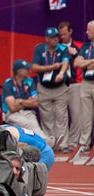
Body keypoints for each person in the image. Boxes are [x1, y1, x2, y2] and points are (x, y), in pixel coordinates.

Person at [32, 26, 70, 152]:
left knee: (61, 116)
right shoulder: (39, 48)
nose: (55, 39)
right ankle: (50, 144)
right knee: (47, 117)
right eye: (52, 37)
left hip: (60, 88)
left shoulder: (63, 48)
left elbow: (65, 62)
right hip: (44, 87)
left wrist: (61, 73)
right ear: (47, 39)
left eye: (56, 37)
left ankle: (63, 144)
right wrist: (53, 67)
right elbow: (35, 67)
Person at [2, 59, 53, 145]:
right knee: (30, 124)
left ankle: (43, 143)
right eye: (26, 69)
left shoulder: (29, 82)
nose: (29, 71)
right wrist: (28, 101)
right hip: (11, 114)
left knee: (33, 124)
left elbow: (36, 103)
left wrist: (21, 101)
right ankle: (45, 142)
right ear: (20, 71)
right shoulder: (8, 84)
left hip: (27, 112)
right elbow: (12, 107)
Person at [59, 21, 83, 155]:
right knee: (62, 116)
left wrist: (74, 53)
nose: (62, 37)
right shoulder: (57, 48)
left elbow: (82, 60)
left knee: (76, 114)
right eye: (60, 34)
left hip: (75, 83)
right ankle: (63, 142)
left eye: (64, 33)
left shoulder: (79, 46)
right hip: (60, 85)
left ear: (70, 31)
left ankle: (74, 142)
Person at [74, 21, 94, 163]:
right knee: (85, 116)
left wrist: (85, 62)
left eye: (89, 30)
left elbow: (82, 63)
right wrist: (91, 61)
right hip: (86, 83)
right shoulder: (86, 46)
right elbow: (77, 63)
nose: (87, 32)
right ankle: (84, 144)